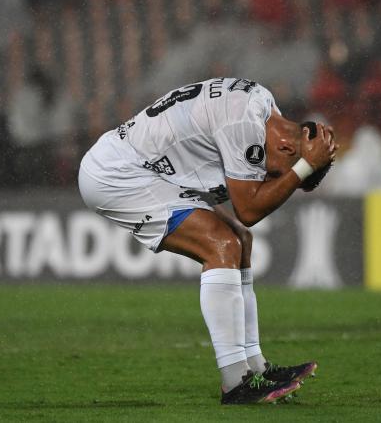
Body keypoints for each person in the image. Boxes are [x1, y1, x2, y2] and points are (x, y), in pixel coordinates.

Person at [78, 78, 337, 404]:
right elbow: (248, 209)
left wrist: (301, 164)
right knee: (222, 245)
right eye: (277, 173)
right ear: (288, 148)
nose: (270, 177)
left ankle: (255, 366)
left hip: (150, 168)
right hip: (118, 174)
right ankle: (235, 382)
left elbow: (245, 219)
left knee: (240, 240)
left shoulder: (263, 106)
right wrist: (303, 168)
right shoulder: (245, 123)